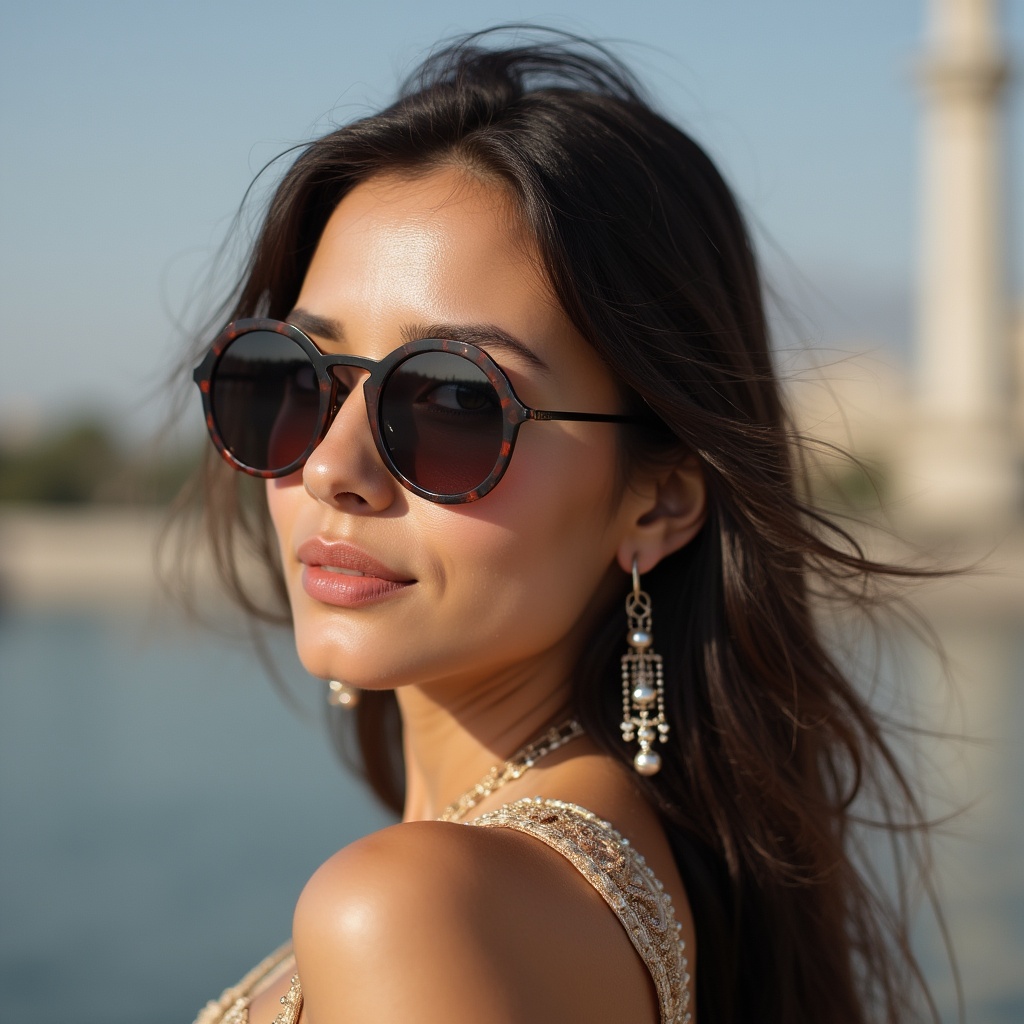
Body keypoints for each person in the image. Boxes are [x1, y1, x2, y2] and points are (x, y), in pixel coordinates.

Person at [186, 30, 942, 1024]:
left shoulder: (413, 912)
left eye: (454, 402)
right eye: (295, 379)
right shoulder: (611, 875)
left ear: (658, 501)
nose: (332, 466)